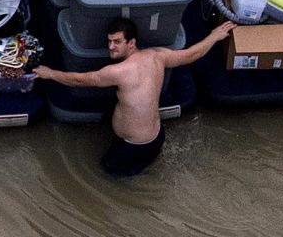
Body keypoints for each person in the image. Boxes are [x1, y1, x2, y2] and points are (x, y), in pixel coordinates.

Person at [34, 18, 237, 177]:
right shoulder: (157, 56)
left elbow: (80, 81)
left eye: (117, 42)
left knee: (107, 174)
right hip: (157, 137)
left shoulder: (118, 71)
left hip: (135, 146)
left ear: (131, 43)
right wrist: (214, 35)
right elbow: (190, 54)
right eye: (109, 41)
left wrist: (50, 74)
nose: (111, 46)